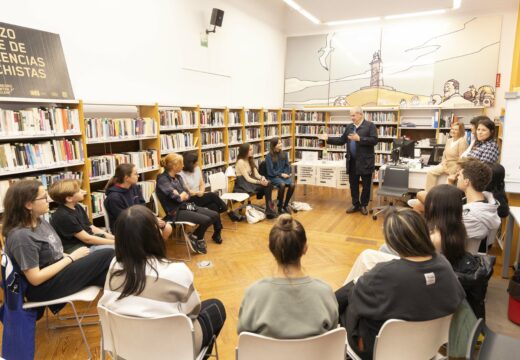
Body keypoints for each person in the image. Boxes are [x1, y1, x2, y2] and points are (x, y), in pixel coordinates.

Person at [335, 208, 465, 360]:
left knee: (343, 302)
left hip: (378, 351)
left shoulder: (384, 274)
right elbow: (458, 298)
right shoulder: (445, 265)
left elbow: (355, 300)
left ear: (393, 244)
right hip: (427, 348)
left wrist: (357, 284)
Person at [98, 205, 226, 356]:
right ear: (154, 234)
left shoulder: (114, 266)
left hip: (124, 350)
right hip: (172, 351)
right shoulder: (177, 271)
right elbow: (192, 313)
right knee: (216, 306)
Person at [2, 180, 114, 302]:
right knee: (107, 254)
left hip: (58, 273)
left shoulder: (40, 221)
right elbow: (35, 278)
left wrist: (74, 258)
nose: (48, 200)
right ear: (29, 205)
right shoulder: (21, 237)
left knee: (108, 275)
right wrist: (71, 258)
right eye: (44, 198)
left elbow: (56, 254)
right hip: (44, 288)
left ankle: (122, 313)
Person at [237, 214, 338, 338]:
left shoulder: (253, 293)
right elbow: (332, 331)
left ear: (271, 249)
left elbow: (243, 335)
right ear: (305, 248)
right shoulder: (325, 293)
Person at [425, 184, 494, 319]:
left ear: (435, 206)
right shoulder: (457, 228)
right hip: (447, 277)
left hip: (433, 284)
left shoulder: (435, 238)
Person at [156, 153, 223, 254]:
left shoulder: (178, 177)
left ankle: (194, 236)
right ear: (175, 166)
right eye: (181, 164)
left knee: (214, 215)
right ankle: (198, 237)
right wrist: (180, 195)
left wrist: (181, 195)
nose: (183, 166)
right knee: (206, 219)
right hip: (175, 212)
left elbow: (187, 193)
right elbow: (176, 198)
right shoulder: (162, 179)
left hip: (185, 205)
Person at [318, 106, 378, 215]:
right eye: (351, 115)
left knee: (366, 185)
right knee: (353, 184)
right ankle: (355, 204)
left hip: (365, 162)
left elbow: (374, 140)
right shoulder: (350, 127)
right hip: (352, 161)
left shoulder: (370, 126)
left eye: (353, 115)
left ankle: (364, 205)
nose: (352, 117)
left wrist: (359, 139)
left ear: (360, 114)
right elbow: (341, 140)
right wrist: (328, 139)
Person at [104, 163, 172, 241]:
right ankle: (150, 251)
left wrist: (152, 218)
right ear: (126, 178)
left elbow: (142, 206)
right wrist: (149, 221)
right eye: (136, 174)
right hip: (125, 228)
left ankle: (155, 251)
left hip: (138, 221)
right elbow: (124, 219)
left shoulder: (134, 187)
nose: (138, 176)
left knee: (167, 228)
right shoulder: (114, 197)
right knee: (155, 231)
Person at [49, 179, 115, 252]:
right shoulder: (63, 216)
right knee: (117, 249)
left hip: (88, 242)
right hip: (78, 248)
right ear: (69, 198)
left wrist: (114, 238)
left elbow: (91, 227)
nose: (83, 191)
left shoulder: (77, 207)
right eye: (78, 190)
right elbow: (87, 239)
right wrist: (116, 243)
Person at [455, 158, 501, 253]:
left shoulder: (469, 215)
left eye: (459, 175)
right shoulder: (487, 203)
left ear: (466, 181)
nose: (457, 177)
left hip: (462, 261)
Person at [180, 151, 234, 224]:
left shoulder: (197, 169)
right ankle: (227, 210)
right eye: (196, 162)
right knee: (212, 195)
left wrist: (201, 192)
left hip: (199, 197)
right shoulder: (180, 174)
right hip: (189, 200)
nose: (198, 163)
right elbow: (186, 191)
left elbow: (202, 183)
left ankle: (217, 231)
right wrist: (197, 193)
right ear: (190, 163)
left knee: (213, 206)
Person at [234, 143, 277, 218]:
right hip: (243, 185)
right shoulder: (240, 162)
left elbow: (257, 175)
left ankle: (269, 209)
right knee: (267, 185)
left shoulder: (250, 159)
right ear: (245, 151)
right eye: (250, 149)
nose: (252, 151)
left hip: (250, 182)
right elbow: (247, 178)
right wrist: (259, 182)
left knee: (268, 183)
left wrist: (262, 178)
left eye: (252, 149)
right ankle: (269, 209)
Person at [425, 122, 467, 191]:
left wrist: (455, 171)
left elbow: (462, 159)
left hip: (455, 166)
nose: (453, 131)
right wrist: (444, 164)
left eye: (456, 130)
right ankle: (429, 194)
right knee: (430, 172)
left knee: (448, 183)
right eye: (452, 129)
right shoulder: (449, 140)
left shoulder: (462, 141)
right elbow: (444, 154)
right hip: (445, 164)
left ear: (460, 131)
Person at [265, 137, 295, 214]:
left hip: (282, 176)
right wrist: (281, 174)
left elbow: (287, 166)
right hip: (273, 177)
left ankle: (285, 205)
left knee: (292, 184)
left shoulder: (284, 154)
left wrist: (286, 174)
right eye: (278, 143)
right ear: (274, 145)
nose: (281, 144)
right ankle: (280, 207)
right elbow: (270, 171)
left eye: (281, 142)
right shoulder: (268, 156)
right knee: (282, 185)